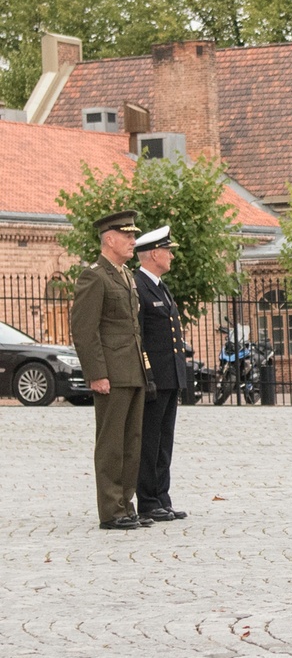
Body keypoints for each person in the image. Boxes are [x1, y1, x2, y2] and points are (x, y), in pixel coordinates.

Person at [70, 210, 152, 531]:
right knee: (111, 443)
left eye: (134, 236)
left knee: (132, 442)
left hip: (132, 370)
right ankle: (110, 510)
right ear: (109, 238)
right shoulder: (95, 276)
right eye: (128, 236)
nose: (133, 241)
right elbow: (84, 330)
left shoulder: (126, 275)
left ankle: (126, 504)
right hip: (111, 374)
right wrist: (96, 374)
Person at [135, 226, 189, 522]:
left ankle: (161, 496)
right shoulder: (138, 286)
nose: (170, 255)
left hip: (171, 377)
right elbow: (139, 337)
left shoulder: (160, 286)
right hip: (154, 378)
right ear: (154, 254)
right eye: (167, 250)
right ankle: (146, 500)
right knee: (149, 441)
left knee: (164, 440)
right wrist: (147, 376)